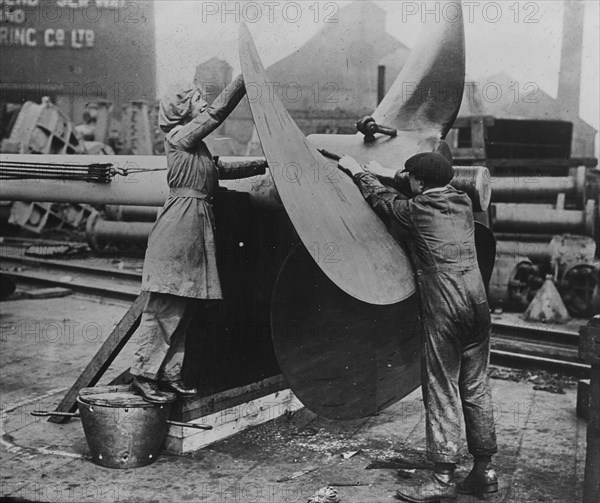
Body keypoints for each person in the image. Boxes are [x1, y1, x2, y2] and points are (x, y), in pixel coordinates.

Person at [338, 152, 498, 502]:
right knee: (475, 387)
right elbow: (419, 184)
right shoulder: (462, 201)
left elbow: (384, 201)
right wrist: (391, 171)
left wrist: (357, 171)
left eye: (410, 177)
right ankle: (485, 472)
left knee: (441, 389)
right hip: (478, 305)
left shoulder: (416, 210)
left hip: (447, 307)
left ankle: (442, 480)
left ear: (418, 182)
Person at [130, 76, 268, 404]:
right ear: (182, 109)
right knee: (166, 305)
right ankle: (143, 374)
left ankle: (169, 374)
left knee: (185, 306)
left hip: (195, 226)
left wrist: (265, 162)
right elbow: (216, 115)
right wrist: (241, 82)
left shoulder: (198, 148)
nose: (203, 105)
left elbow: (224, 170)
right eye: (197, 100)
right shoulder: (180, 136)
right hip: (180, 228)